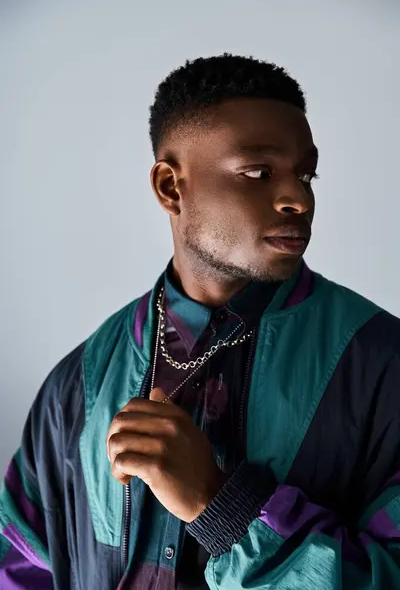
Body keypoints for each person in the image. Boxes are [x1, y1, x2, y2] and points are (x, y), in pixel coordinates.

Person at [1, 53, 400, 590]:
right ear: (170, 187)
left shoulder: (382, 365)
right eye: (259, 172)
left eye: (306, 174)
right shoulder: (78, 387)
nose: (298, 198)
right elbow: (19, 570)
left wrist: (222, 507)